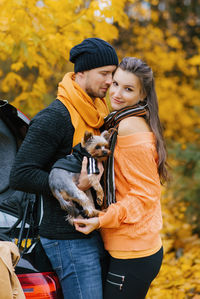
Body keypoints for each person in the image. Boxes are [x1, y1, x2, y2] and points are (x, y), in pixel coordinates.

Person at [9, 38, 118, 299]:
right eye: (104, 73)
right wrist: (72, 186)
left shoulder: (96, 115)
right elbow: (21, 174)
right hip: (67, 237)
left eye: (113, 74)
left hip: (92, 227)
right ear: (81, 72)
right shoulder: (55, 117)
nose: (110, 81)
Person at [74, 57, 168, 299]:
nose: (116, 93)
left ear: (143, 94)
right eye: (115, 84)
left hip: (134, 252)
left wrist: (102, 219)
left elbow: (145, 196)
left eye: (128, 89)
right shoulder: (118, 122)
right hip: (128, 248)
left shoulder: (129, 128)